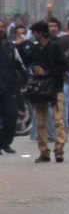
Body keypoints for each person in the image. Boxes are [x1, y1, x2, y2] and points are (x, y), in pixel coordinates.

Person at [28, 22, 68, 163]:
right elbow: (27, 61)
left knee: (58, 121)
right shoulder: (35, 48)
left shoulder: (55, 47)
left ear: (42, 33)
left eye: (35, 32)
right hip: (40, 89)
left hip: (55, 87)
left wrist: (47, 73)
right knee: (40, 122)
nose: (33, 35)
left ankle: (59, 150)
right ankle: (44, 151)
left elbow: (64, 65)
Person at [0, 20, 26, 154]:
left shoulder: (11, 48)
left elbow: (20, 65)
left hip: (9, 88)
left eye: (2, 27)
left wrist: (25, 80)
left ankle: (5, 142)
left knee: (11, 117)